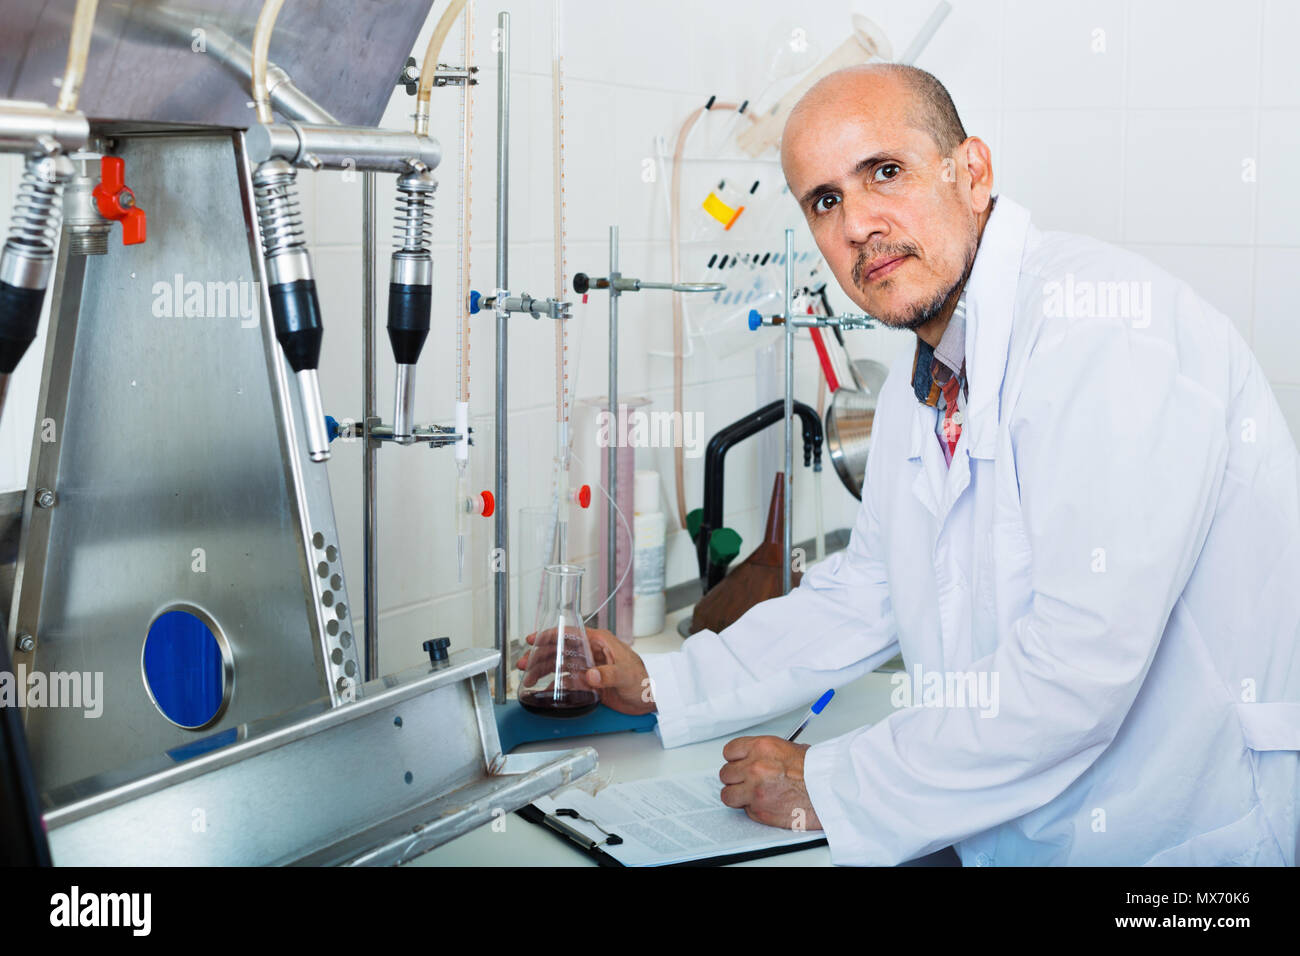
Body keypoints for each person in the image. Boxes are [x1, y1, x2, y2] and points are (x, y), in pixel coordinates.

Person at [520, 63, 1300, 866]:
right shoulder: (920, 385)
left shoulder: (1105, 335)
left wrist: (837, 782)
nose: (858, 224)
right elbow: (869, 592)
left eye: (884, 172)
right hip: (1031, 833)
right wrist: (661, 681)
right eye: (825, 201)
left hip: (1189, 845)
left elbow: (1078, 670)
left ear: (972, 171)